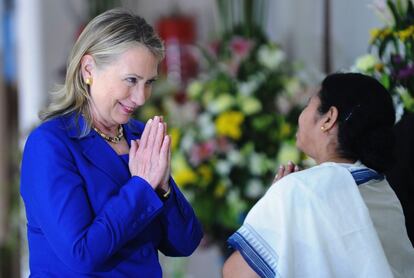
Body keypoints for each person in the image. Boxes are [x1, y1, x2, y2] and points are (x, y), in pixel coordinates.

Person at [20, 8, 203, 277]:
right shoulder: (50, 144)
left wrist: (162, 188)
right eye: (131, 80)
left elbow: (185, 243)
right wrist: (142, 186)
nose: (141, 97)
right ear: (88, 69)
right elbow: (81, 254)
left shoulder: (140, 136)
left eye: (149, 82)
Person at [223, 73, 414, 278]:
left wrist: (281, 201)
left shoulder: (298, 191)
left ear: (329, 118)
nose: (302, 113)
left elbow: (236, 273)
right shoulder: (383, 192)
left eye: (308, 104)